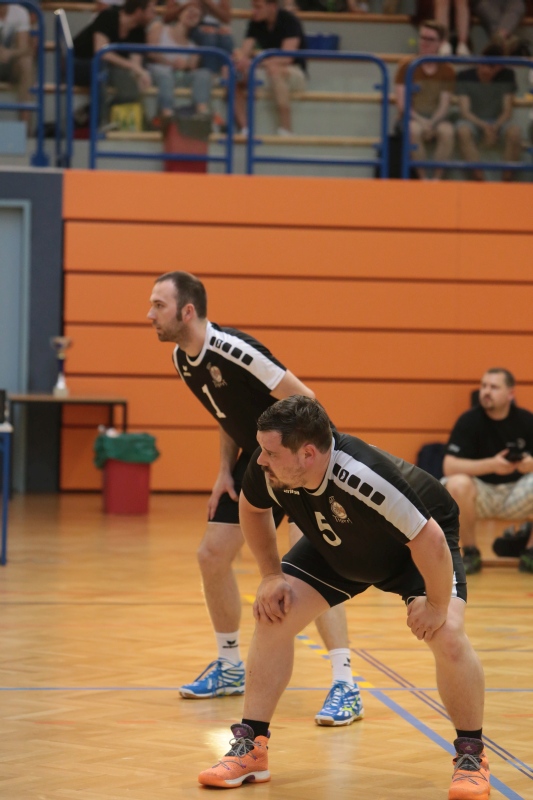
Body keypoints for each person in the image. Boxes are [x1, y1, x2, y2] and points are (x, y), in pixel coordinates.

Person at [197, 396, 489, 800]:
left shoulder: (365, 475)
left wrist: (437, 606)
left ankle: (471, 756)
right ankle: (252, 746)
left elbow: (432, 542)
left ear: (308, 454)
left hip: (412, 550)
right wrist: (270, 575)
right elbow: (252, 509)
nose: (260, 460)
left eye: (270, 452)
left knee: (449, 634)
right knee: (274, 613)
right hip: (337, 543)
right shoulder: (269, 468)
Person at [147, 272, 363, 726]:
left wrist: (307, 473)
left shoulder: (233, 350)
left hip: (301, 463)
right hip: (259, 461)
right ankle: (229, 666)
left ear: (187, 311)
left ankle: (346, 684)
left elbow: (307, 400)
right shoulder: (183, 359)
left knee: (313, 568)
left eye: (158, 305)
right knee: (212, 555)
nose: (150, 315)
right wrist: (224, 470)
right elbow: (226, 415)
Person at [443, 368, 533, 575]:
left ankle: (530, 553)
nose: (486, 391)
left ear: (510, 393)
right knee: (457, 483)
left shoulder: (526, 420)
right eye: (484, 386)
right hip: (480, 494)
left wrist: (530, 464)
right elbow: (449, 466)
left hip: (516, 493)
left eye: (494, 387)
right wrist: (491, 465)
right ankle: (471, 552)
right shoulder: (469, 421)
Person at [233, 0, 307, 136]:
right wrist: (239, 59)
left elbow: (286, 58)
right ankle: (245, 129)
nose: (254, 11)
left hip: (293, 71)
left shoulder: (290, 21)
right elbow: (244, 52)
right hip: (265, 70)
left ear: (272, 7)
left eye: (258, 7)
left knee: (274, 69)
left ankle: (286, 129)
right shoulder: (255, 22)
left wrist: (256, 62)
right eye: (253, 7)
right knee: (232, 73)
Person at [394, 21, 455, 180]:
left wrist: (432, 122)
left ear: (440, 43)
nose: (424, 42)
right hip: (412, 117)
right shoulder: (406, 66)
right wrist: (423, 122)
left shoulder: (447, 70)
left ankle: (436, 179)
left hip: (436, 117)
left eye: (430, 39)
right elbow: (402, 105)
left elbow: (444, 105)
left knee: (447, 131)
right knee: (413, 130)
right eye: (422, 38)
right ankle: (423, 179)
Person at [73, 0, 156, 113]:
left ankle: (125, 117)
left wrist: (140, 75)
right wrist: (135, 68)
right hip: (78, 63)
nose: (154, 15)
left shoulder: (139, 32)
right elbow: (101, 52)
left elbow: (135, 64)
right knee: (102, 69)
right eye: (151, 11)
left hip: (109, 69)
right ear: (139, 11)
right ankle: (100, 119)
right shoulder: (108, 16)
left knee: (128, 79)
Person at [456, 42, 522, 181]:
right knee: (463, 131)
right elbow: (465, 112)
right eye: (483, 65)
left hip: (499, 121)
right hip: (473, 121)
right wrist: (484, 126)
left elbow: (507, 111)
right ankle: (481, 181)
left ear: (499, 67)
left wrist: (495, 127)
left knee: (515, 132)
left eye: (493, 68)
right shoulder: (464, 75)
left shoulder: (507, 75)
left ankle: (505, 183)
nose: (486, 70)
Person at [147, 2, 213, 121]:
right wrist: (171, 63)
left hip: (180, 76)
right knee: (164, 74)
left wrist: (185, 65)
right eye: (189, 11)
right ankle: (167, 113)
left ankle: (202, 111)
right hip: (158, 72)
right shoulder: (159, 27)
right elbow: (151, 52)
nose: (191, 16)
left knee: (204, 73)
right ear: (180, 12)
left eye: (196, 15)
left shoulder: (193, 46)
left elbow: (192, 66)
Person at [163, 0, 234, 76]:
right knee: (209, 39)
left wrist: (207, 2)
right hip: (191, 25)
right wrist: (187, 6)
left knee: (226, 39)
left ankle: (226, 76)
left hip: (215, 26)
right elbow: (167, 18)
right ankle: (210, 76)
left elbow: (227, 18)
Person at [0, 3, 33, 126]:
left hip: (11, 63)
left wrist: (9, 53)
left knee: (26, 62)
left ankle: (24, 128)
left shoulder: (20, 12)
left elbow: (24, 48)